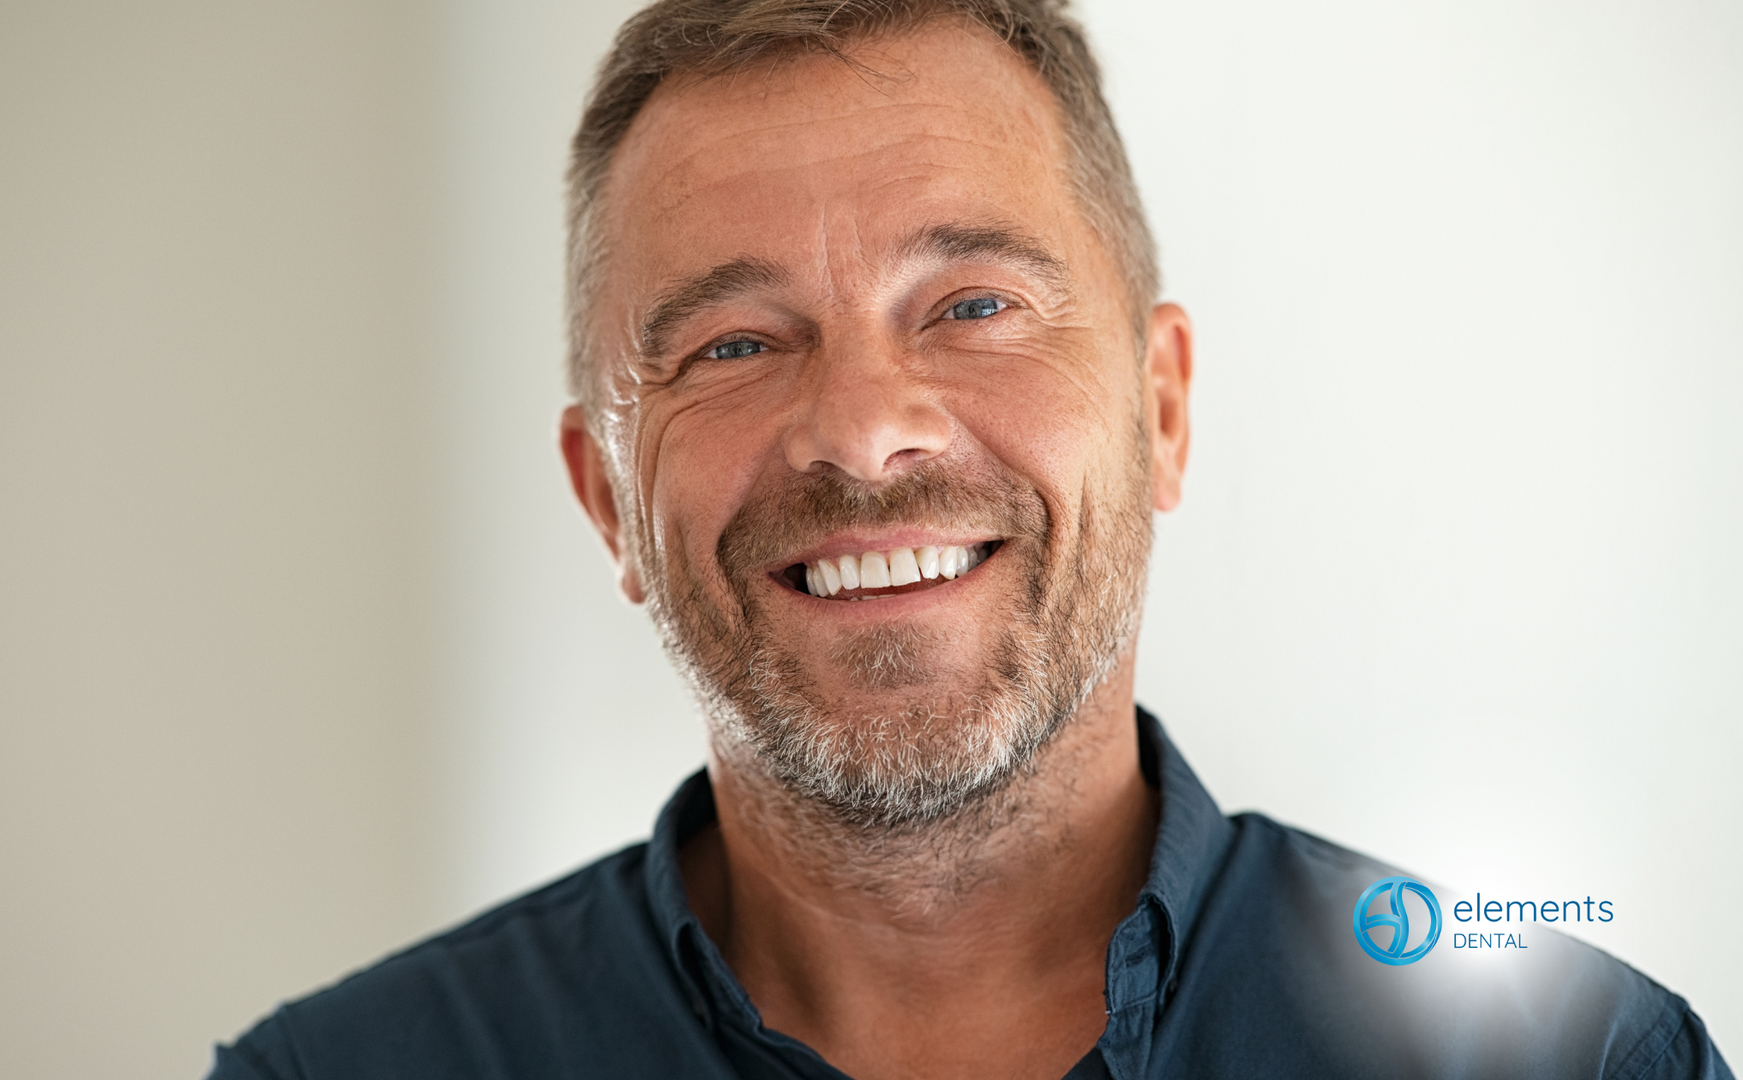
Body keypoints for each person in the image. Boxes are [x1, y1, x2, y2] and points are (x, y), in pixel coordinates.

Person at [210, 1, 1730, 1077]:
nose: (866, 431)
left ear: (1164, 409)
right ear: (607, 498)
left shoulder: (1579, 1063)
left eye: (974, 306)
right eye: (735, 345)